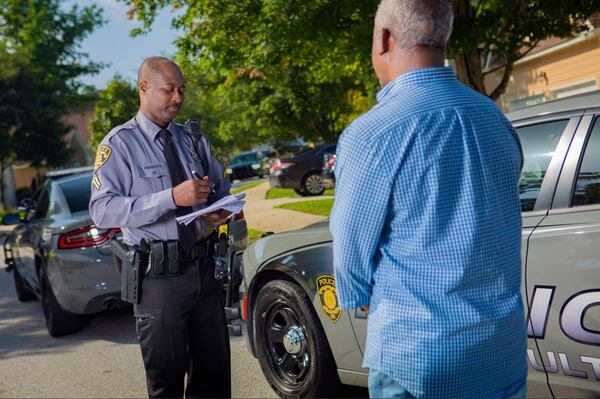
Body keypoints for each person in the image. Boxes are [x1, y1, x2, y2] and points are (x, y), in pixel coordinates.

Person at [330, 1, 527, 398]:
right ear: (444, 37)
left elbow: (350, 248)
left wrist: (357, 296)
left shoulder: (371, 135)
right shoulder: (493, 118)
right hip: (500, 349)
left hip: (419, 355)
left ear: (383, 39)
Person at [89, 56, 231, 398]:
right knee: (166, 382)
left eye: (181, 90)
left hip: (204, 269)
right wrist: (169, 197)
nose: (178, 98)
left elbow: (222, 191)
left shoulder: (193, 140)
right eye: (169, 90)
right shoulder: (119, 144)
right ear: (144, 88)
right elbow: (102, 211)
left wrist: (221, 211)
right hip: (158, 279)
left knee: (215, 377)